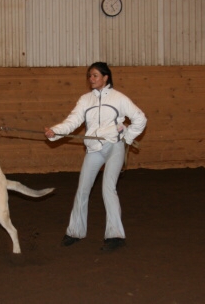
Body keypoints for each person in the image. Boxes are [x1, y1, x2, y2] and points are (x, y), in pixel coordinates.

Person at [44, 62, 147, 251]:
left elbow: (140, 118)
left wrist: (127, 137)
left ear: (105, 77)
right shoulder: (85, 100)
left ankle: (115, 235)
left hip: (114, 146)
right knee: (82, 189)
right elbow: (72, 121)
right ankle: (75, 231)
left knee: (108, 188)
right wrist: (55, 132)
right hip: (93, 148)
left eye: (95, 76)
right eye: (90, 76)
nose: (91, 79)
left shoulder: (119, 98)